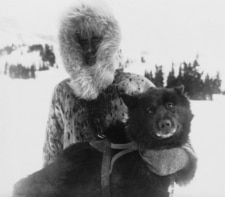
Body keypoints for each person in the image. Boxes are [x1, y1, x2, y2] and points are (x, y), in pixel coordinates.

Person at [43, 0, 197, 192]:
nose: (89, 49)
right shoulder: (62, 93)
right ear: (70, 46)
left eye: (96, 40)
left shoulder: (135, 86)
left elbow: (178, 133)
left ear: (109, 41)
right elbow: (52, 152)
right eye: (82, 41)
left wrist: (180, 158)